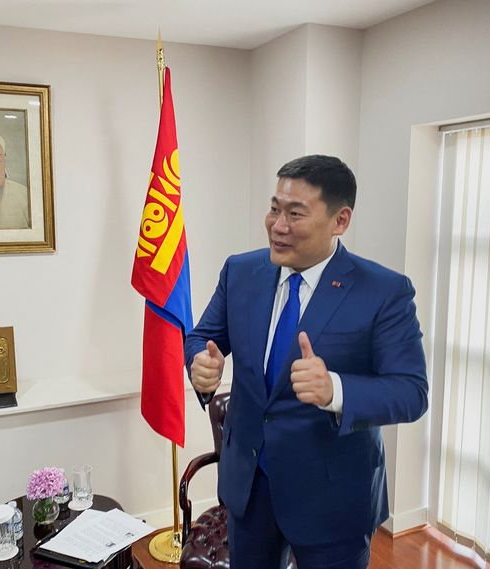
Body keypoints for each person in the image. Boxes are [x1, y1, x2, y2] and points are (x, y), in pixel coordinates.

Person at [185, 155, 428, 569]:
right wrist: (200, 364)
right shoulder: (241, 271)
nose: (278, 226)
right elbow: (202, 337)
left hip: (331, 498)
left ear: (340, 220)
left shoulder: (383, 291)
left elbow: (411, 391)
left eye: (295, 214)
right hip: (250, 486)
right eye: (275, 208)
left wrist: (337, 390)